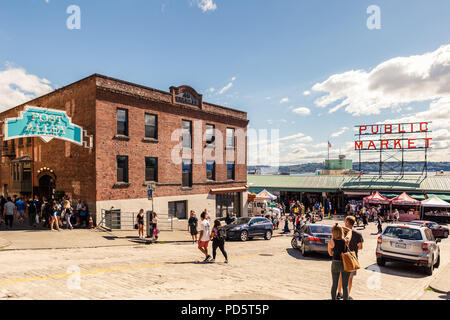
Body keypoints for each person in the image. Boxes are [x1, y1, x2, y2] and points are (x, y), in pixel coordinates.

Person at [337, 216, 363, 300]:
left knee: (341, 276)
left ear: (347, 222)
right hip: (353, 258)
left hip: (343, 257)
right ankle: (347, 295)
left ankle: (339, 293)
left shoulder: (342, 232)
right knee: (350, 278)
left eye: (345, 221)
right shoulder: (358, 234)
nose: (344, 222)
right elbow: (360, 247)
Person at [328, 223, 351, 300]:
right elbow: (349, 230)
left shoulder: (331, 242)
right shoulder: (346, 241)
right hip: (345, 264)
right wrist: (342, 227)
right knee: (345, 286)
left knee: (334, 284)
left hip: (335, 263)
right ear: (341, 231)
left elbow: (330, 254)